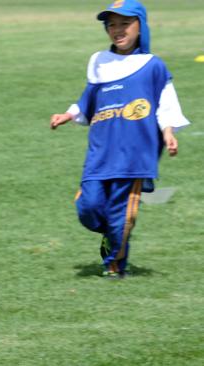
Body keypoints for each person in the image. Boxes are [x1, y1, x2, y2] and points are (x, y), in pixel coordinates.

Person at [50, 0, 190, 278]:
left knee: (122, 216)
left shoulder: (153, 66)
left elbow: (166, 104)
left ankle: (115, 265)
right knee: (88, 208)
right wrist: (69, 114)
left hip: (134, 156)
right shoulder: (99, 61)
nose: (118, 29)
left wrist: (168, 131)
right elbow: (88, 100)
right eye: (111, 24)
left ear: (141, 26)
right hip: (100, 152)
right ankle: (107, 234)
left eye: (125, 23)